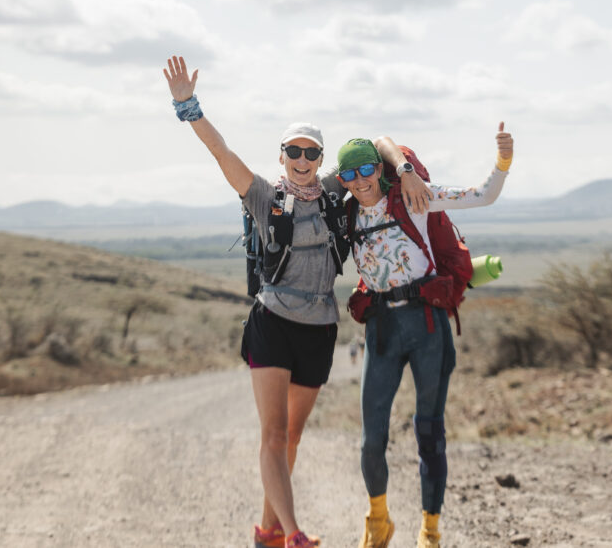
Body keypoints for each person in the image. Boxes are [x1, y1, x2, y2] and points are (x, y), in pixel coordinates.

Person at [162, 55, 431, 548]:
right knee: (272, 434)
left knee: (292, 438)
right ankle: (293, 533)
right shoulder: (263, 196)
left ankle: (267, 532)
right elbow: (221, 153)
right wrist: (188, 105)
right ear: (282, 154)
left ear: (322, 159)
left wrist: (406, 169)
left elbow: (378, 144)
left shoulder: (334, 192)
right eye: (294, 152)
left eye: (312, 154)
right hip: (273, 322)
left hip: (319, 328)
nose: (303, 162)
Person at [335, 125, 514, 548]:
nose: (360, 180)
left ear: (379, 169)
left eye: (366, 169)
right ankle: (378, 520)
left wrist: (503, 161)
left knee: (429, 431)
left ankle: (429, 531)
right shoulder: (344, 214)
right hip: (382, 328)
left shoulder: (414, 197)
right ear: (341, 179)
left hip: (427, 326)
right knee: (371, 437)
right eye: (349, 174)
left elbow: (483, 195)